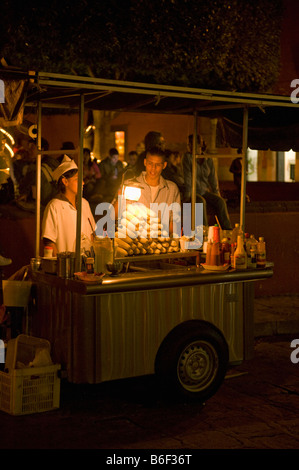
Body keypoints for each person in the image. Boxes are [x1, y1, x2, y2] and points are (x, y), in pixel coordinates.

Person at [41, 155, 96, 255]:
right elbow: (49, 242)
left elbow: (92, 234)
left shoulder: (84, 204)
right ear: (65, 181)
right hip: (65, 266)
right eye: (77, 179)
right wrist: (61, 265)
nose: (83, 183)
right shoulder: (54, 206)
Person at [124, 146, 181, 234]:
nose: (153, 168)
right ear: (145, 162)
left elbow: (174, 223)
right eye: (150, 163)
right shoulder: (131, 186)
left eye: (158, 165)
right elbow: (122, 216)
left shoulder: (172, 189)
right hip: (136, 242)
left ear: (164, 165)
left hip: (162, 243)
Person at [183, 134, 232, 230]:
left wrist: (216, 193)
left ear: (200, 145)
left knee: (220, 202)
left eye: (192, 144)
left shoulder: (208, 159)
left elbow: (213, 178)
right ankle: (204, 231)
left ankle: (227, 230)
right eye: (189, 144)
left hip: (204, 191)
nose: (190, 147)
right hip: (193, 191)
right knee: (201, 201)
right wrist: (187, 195)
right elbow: (187, 177)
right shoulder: (187, 158)